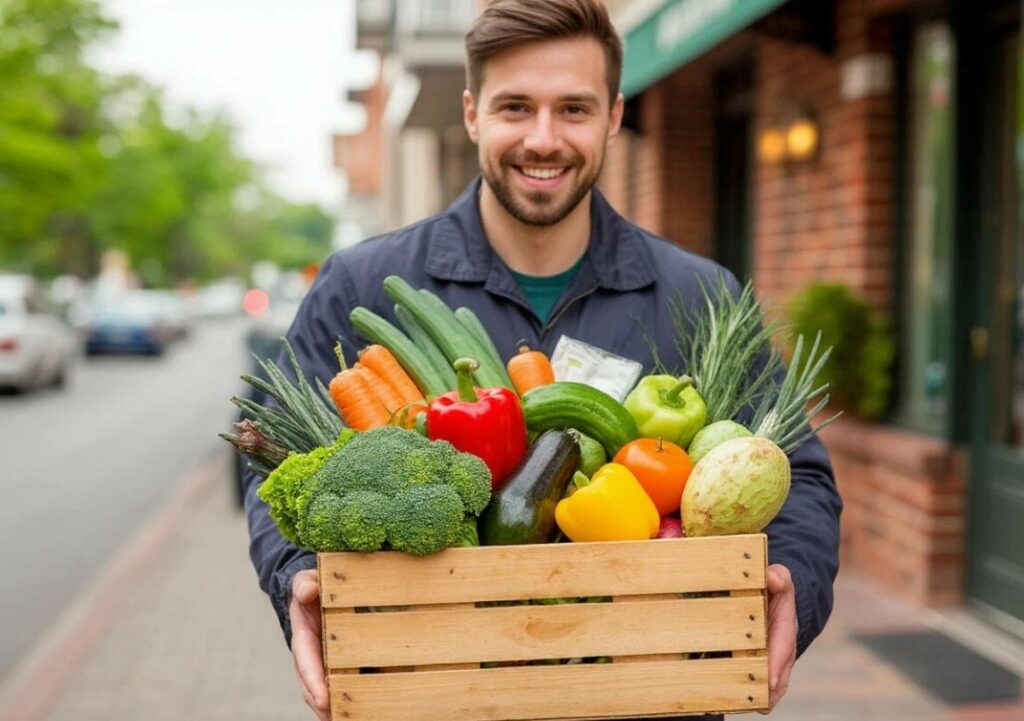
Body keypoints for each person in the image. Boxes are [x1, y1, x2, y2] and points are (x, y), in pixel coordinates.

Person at [243, 1, 842, 719]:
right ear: (471, 113)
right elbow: (276, 471)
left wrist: (789, 581)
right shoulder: (359, 286)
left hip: (648, 696)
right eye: (515, 107)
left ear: (615, 116)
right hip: (436, 696)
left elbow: (798, 472)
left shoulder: (702, 296)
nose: (543, 138)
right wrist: (298, 577)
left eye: (574, 109)